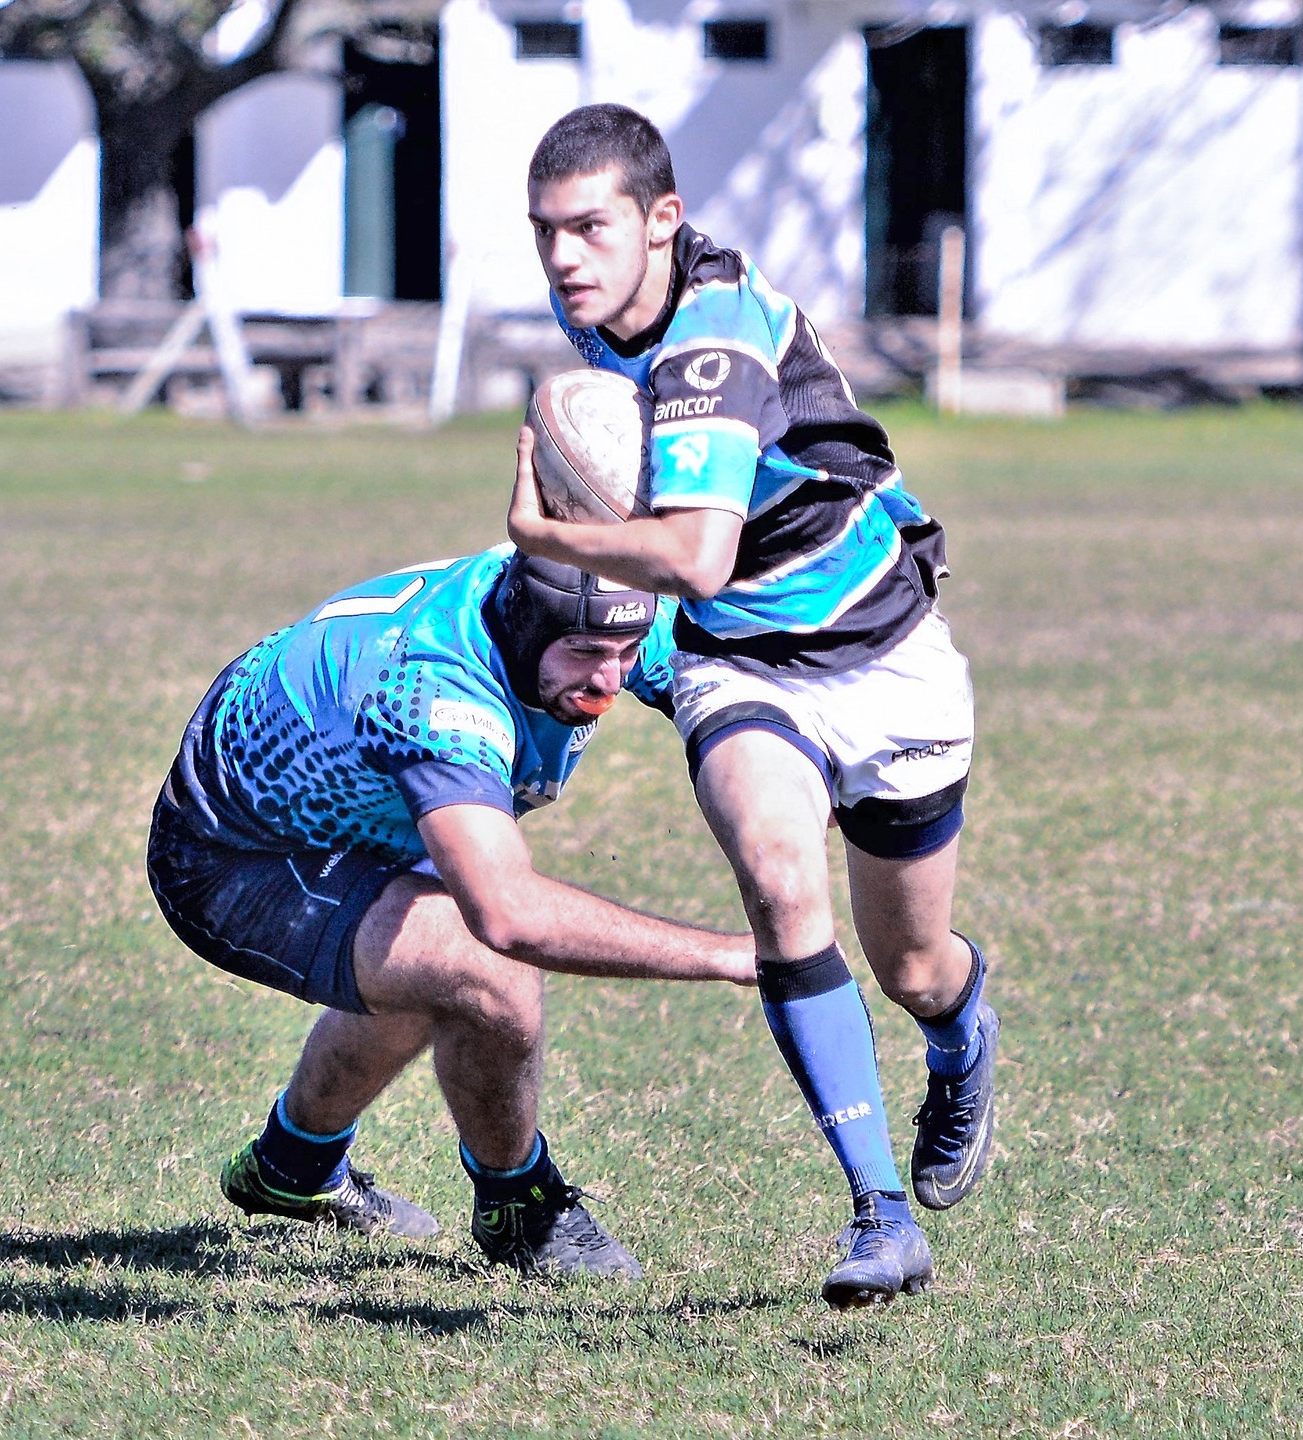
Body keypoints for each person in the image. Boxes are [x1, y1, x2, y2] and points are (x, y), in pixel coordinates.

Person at [507, 103, 999, 1309]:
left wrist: (541, 532)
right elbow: (709, 599)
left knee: (914, 963)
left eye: (591, 227)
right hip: (745, 667)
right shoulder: (607, 326)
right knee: (781, 884)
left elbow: (696, 557)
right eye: (545, 232)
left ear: (663, 221)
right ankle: (882, 1216)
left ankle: (960, 1032)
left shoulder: (711, 345)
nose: (566, 257)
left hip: (887, 667)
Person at [146, 545, 756, 1278]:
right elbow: (510, 917)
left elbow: (726, 695)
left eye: (626, 652)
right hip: (238, 852)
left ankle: (291, 1166)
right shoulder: (433, 694)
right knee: (486, 970)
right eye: (588, 655)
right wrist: (728, 956)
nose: (609, 680)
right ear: (524, 628)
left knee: (432, 957)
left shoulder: (597, 604)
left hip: (361, 815)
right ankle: (520, 1206)